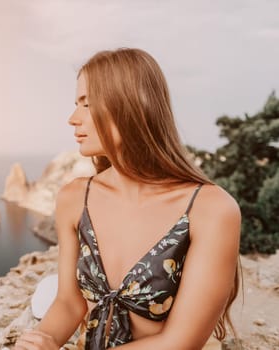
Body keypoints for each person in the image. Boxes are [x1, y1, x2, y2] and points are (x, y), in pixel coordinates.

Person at [14, 48, 241, 349]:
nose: (72, 118)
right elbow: (70, 303)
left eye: (87, 104)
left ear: (132, 106)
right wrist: (45, 339)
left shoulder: (211, 209)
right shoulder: (74, 197)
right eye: (76, 104)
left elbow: (180, 342)